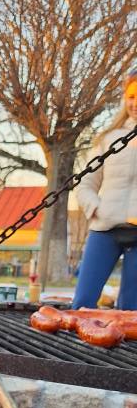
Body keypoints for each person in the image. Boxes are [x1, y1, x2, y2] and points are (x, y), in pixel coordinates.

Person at [74, 71, 137, 309]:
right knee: (83, 302)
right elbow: (85, 183)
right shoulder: (109, 139)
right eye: (131, 96)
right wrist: (96, 207)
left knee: (132, 310)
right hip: (105, 228)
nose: (135, 103)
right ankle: (76, 347)